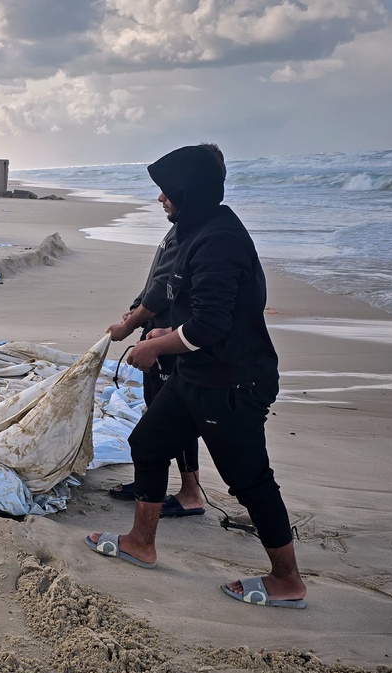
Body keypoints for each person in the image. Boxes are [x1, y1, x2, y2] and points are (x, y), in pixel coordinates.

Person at [85, 144, 307, 610]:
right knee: (147, 443)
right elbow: (191, 306)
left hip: (232, 384)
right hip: (197, 375)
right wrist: (165, 328)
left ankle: (287, 580)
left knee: (249, 482)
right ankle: (140, 543)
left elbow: (210, 326)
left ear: (189, 190)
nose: (160, 198)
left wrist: (151, 345)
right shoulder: (195, 229)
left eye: (166, 190)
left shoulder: (220, 239)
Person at [102, 146, 229, 517]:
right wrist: (136, 309)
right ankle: (151, 484)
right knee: (156, 410)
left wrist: (129, 324)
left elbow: (162, 292)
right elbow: (156, 281)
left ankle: (190, 492)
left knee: (173, 416)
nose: (160, 196)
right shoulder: (182, 229)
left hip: (173, 339)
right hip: (160, 332)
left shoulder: (198, 234)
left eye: (169, 188)